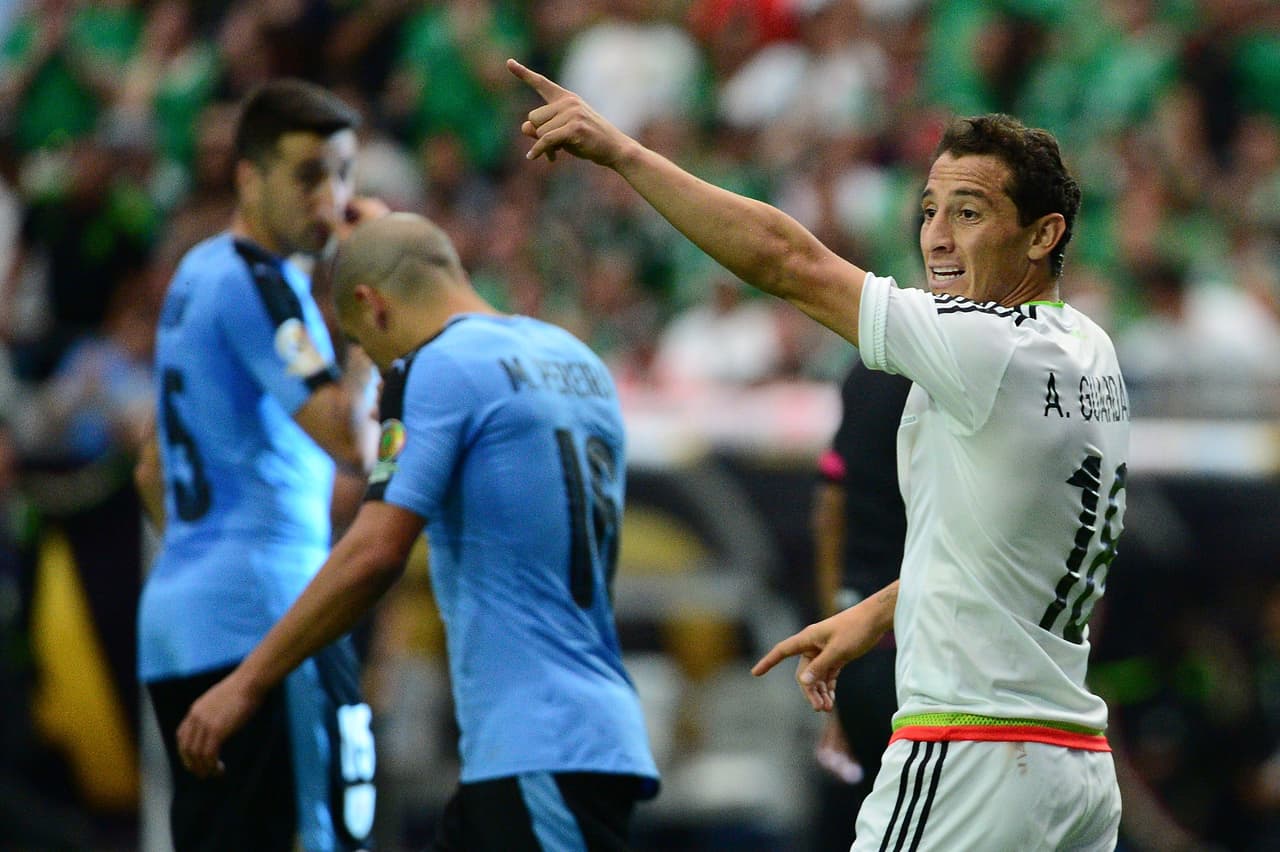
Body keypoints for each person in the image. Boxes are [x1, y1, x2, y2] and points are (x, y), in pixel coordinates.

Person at [506, 58, 1128, 850]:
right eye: (929, 210)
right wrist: (878, 611)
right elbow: (1011, 549)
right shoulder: (1091, 351)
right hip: (1072, 763)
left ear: (1043, 235)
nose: (937, 236)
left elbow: (787, 261)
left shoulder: (984, 344)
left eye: (969, 213)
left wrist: (622, 153)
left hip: (971, 754)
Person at [175, 212, 661, 851]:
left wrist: (248, 682)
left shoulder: (441, 367)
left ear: (373, 306)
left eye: (368, 348)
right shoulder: (578, 359)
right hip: (576, 733)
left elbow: (375, 552)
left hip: (538, 743)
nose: (384, 376)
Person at [134, 79, 383, 852]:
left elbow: (151, 469)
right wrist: (372, 305)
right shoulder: (259, 281)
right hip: (267, 620)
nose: (332, 199)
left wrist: (204, 562)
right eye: (309, 175)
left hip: (181, 623)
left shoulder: (197, 272)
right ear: (249, 177)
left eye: (343, 173)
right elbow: (351, 440)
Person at [810, 361, 910, 849]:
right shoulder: (963, 369)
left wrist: (838, 640)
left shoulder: (866, 370)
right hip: (927, 654)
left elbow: (830, 506)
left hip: (864, 653)